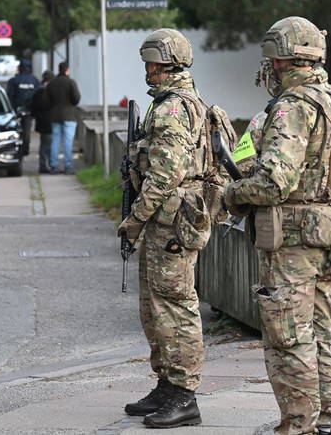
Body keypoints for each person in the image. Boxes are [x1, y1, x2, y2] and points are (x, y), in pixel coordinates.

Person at [223, 16, 331, 435]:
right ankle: (325, 422)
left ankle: (297, 426)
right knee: (320, 330)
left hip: (295, 239)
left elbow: (273, 182)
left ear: (282, 60)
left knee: (288, 338)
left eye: (270, 60)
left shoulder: (292, 106)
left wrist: (231, 195)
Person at [116, 29, 218, 429]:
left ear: (165, 62)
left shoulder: (174, 108)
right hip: (165, 221)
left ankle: (184, 394)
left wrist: (135, 218)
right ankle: (166, 384)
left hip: (171, 222)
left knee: (175, 305)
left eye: (150, 61)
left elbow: (165, 174)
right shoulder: (167, 104)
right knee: (155, 306)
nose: (146, 68)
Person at [46, 61, 80, 174]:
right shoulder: (71, 82)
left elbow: (47, 100)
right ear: (67, 70)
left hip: (54, 116)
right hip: (69, 116)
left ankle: (54, 166)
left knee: (55, 141)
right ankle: (68, 166)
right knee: (68, 142)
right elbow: (76, 99)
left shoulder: (52, 83)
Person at [6, 59, 40, 156]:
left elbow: (9, 96)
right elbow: (38, 96)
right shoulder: (35, 81)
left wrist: (11, 109)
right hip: (29, 111)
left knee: (14, 131)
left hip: (16, 110)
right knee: (26, 132)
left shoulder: (14, 81)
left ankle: (16, 150)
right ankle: (25, 150)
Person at [31, 70, 55, 174]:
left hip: (41, 123)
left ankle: (43, 165)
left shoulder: (37, 91)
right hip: (50, 122)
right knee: (49, 145)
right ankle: (50, 165)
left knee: (44, 144)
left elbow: (33, 107)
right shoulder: (51, 92)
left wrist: (36, 117)